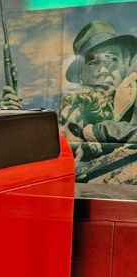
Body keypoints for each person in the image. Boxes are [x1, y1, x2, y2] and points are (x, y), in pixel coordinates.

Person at [55, 20, 137, 174]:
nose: (103, 70)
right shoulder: (72, 109)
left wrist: (98, 131)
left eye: (112, 59)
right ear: (81, 75)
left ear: (125, 65)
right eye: (92, 62)